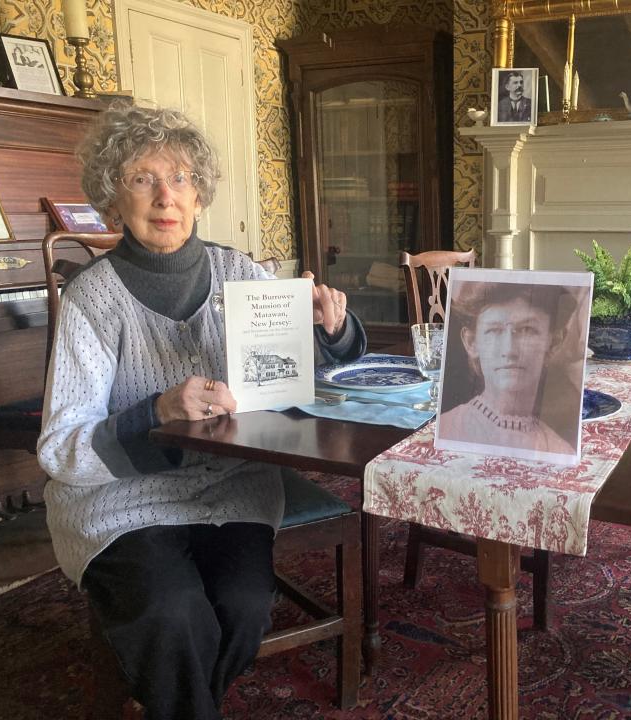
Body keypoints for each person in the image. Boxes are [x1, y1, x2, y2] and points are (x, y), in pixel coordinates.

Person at [37, 103, 366, 720]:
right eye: (143, 179)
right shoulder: (92, 299)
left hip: (232, 486)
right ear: (114, 196)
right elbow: (59, 450)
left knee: (242, 607)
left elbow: (299, 380)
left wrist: (332, 329)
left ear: (199, 193)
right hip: (122, 501)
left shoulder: (240, 272)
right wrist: (154, 413)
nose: (166, 195)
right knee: (172, 613)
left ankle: (181, 701)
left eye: (181, 178)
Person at [437, 281, 580, 455]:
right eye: (494, 331)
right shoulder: (447, 430)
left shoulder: (560, 451)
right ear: (472, 342)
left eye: (527, 330)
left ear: (554, 342)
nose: (509, 350)